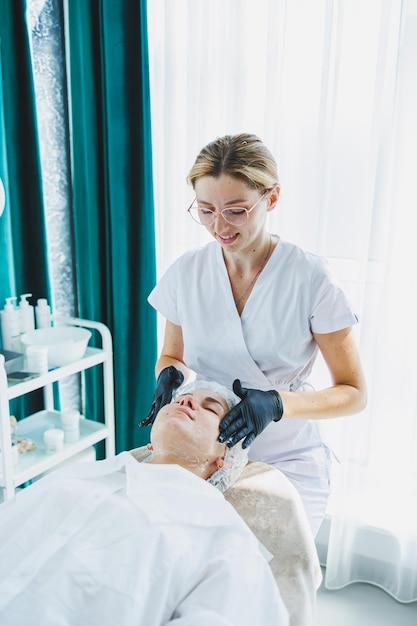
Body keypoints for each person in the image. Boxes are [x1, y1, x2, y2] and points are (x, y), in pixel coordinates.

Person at [144, 132, 367, 536]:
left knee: (270, 579)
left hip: (286, 456)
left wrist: (277, 404)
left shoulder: (311, 278)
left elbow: (354, 393)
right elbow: (171, 355)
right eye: (206, 210)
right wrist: (168, 375)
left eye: (235, 211)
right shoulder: (187, 272)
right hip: (204, 453)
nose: (218, 226)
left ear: (272, 198)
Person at [0, 380, 289, 626]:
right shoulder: (77, 477)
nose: (186, 400)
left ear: (223, 459)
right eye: (181, 398)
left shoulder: (223, 538)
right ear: (150, 442)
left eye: (210, 408)